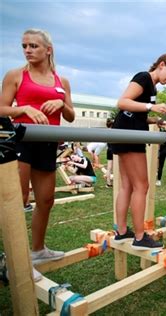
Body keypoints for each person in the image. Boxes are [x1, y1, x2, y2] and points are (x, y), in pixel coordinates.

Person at [0, 29, 75, 272]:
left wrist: (62, 103)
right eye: (24, 46)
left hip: (47, 145)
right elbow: (2, 109)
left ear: (48, 50)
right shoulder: (16, 75)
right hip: (21, 142)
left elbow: (71, 117)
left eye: (33, 46)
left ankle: (38, 250)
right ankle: (16, 259)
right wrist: (22, 110)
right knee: (18, 200)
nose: (27, 50)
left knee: (46, 200)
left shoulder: (61, 81)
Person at [110, 53, 166, 249]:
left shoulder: (152, 87)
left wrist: (153, 120)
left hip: (126, 130)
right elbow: (123, 102)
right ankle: (140, 237)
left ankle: (122, 232)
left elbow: (136, 112)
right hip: (128, 134)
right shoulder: (144, 77)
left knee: (127, 185)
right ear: (161, 65)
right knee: (141, 186)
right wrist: (153, 107)